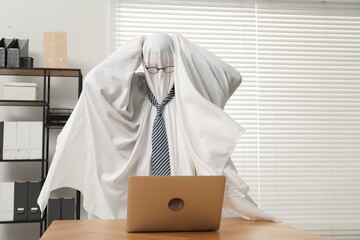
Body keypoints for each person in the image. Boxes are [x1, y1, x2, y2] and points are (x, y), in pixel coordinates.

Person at [38, 33, 276, 221]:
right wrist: (134, 49)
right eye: (153, 69)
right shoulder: (137, 90)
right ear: (144, 66)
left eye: (168, 68)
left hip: (187, 194)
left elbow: (231, 75)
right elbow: (94, 84)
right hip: (141, 197)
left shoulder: (189, 95)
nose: (160, 75)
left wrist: (183, 47)